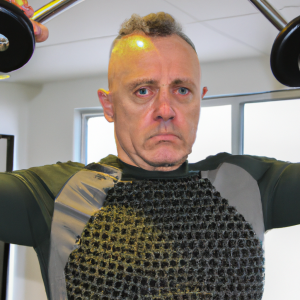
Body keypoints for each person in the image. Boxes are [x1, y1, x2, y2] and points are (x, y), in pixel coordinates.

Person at [0, 5, 299, 300]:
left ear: (200, 100)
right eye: (143, 90)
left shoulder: (247, 183)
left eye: (182, 90)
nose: (166, 111)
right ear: (109, 106)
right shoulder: (57, 195)